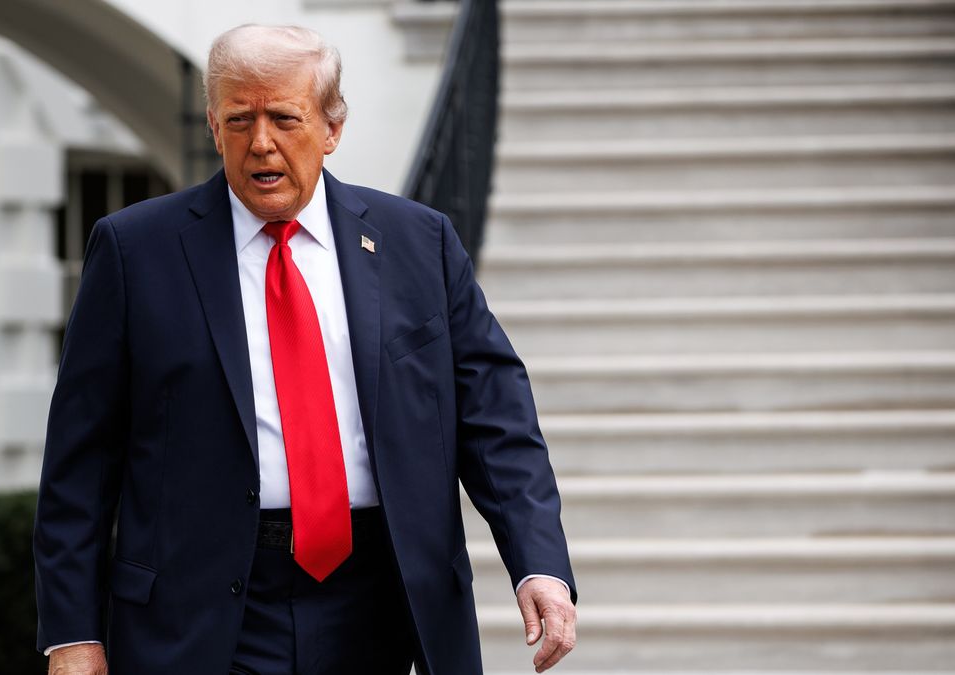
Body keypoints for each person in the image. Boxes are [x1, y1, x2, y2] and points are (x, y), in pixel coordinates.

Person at [33, 23, 576, 675]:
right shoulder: (134, 251)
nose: (260, 143)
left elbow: (498, 421)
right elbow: (79, 460)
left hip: (384, 597)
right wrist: (71, 631)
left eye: (284, 119)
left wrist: (537, 561)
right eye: (239, 120)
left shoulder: (418, 244)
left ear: (331, 127)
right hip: (203, 610)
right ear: (212, 124)